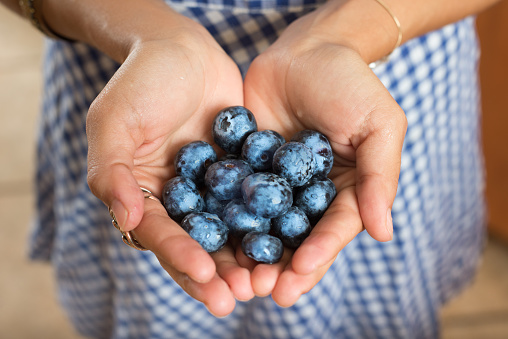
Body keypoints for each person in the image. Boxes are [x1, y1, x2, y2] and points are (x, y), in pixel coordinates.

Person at [2, 0, 502, 337]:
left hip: (385, 56)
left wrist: (348, 33)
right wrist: (150, 36)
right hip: (127, 66)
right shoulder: (224, 178)